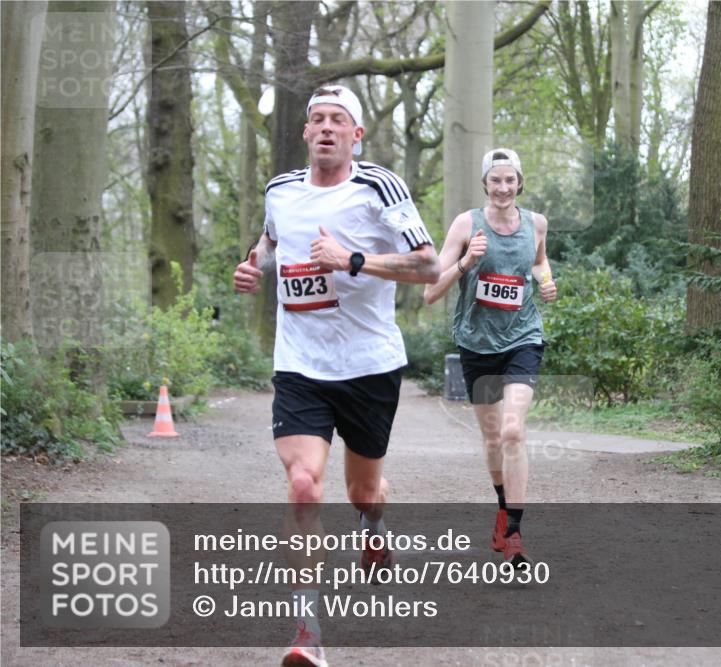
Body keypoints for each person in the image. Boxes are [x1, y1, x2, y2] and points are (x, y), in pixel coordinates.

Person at [233, 82, 440, 667]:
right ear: (305, 132)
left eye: (337, 120)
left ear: (356, 134)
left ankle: (373, 523)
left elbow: (428, 266)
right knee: (303, 483)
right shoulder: (280, 190)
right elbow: (269, 244)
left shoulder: (378, 187)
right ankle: (307, 630)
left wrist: (352, 259)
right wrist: (254, 267)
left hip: (369, 365)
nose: (326, 128)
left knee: (361, 490)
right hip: (300, 363)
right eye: (317, 119)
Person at [423, 148, 556, 568]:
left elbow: (538, 260)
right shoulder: (466, 224)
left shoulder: (536, 223)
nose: (503, 187)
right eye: (495, 180)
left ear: (520, 182)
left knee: (514, 431)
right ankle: (503, 508)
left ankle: (514, 534)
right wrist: (467, 261)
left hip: (523, 338)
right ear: (485, 183)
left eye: (510, 179)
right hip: (477, 343)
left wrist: (546, 280)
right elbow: (430, 292)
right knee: (494, 438)